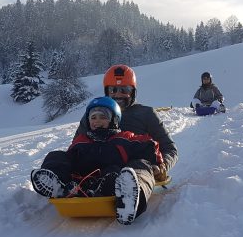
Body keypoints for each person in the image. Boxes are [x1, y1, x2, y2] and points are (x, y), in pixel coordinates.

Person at [31, 96, 164, 225]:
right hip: (81, 184)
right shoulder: (81, 141)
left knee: (140, 165)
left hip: (114, 183)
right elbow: (68, 160)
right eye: (93, 117)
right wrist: (60, 168)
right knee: (56, 155)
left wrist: (157, 164)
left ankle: (130, 200)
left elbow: (149, 145)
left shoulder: (124, 138)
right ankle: (59, 186)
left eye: (103, 117)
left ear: (114, 120)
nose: (97, 121)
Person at [74, 64, 178, 182]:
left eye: (125, 90)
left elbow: (169, 148)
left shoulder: (146, 114)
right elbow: (77, 144)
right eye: (113, 90)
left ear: (133, 92)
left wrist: (162, 165)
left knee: (137, 167)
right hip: (95, 167)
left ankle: (130, 188)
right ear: (106, 92)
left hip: (135, 171)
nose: (118, 95)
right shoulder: (94, 113)